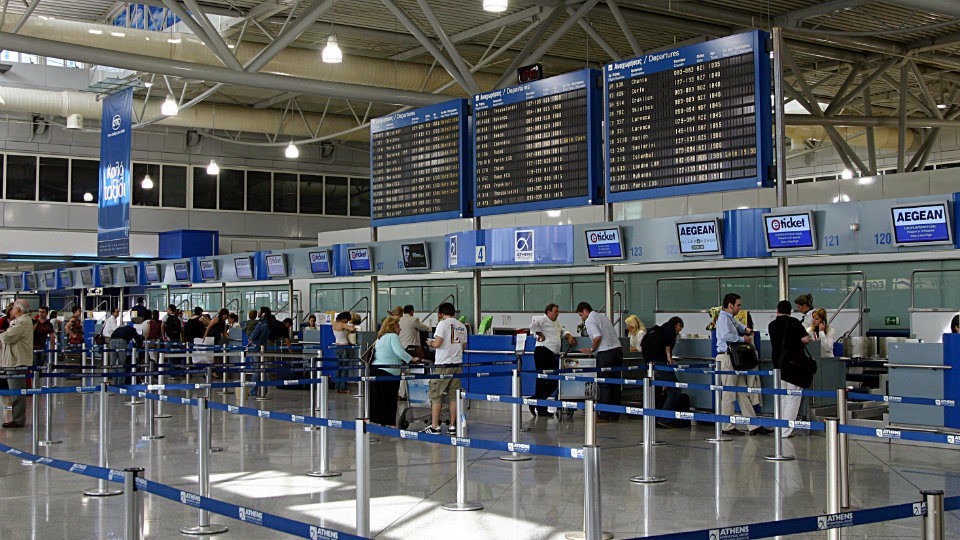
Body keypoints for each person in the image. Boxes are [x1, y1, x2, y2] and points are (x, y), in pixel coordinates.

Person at [715, 293, 771, 436]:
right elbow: (726, 336)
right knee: (729, 394)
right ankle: (726, 426)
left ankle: (753, 425)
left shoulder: (729, 318)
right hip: (727, 358)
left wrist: (746, 329)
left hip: (733, 360)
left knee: (742, 392)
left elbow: (737, 325)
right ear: (730, 305)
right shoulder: (723, 318)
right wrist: (743, 339)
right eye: (738, 305)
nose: (740, 307)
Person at [769, 300, 813, 438]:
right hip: (794, 365)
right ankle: (786, 431)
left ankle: (779, 427)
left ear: (777, 311)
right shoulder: (794, 322)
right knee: (793, 397)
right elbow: (806, 339)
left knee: (781, 397)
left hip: (778, 365)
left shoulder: (772, 325)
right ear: (790, 311)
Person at [424, 302, 466, 435]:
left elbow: (437, 343)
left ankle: (435, 426)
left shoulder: (442, 324)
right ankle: (452, 426)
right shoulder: (462, 326)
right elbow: (463, 347)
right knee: (454, 396)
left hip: (443, 365)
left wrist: (430, 343)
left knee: (436, 394)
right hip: (457, 364)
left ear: (441, 314)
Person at [577, 302, 623, 422]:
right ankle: (615, 415)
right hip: (618, 351)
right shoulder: (602, 316)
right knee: (615, 384)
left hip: (605, 353)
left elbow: (597, 337)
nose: (582, 318)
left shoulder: (589, 320)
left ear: (585, 311)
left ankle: (604, 415)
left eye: (581, 315)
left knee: (605, 384)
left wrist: (591, 349)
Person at [529, 303, 576, 416]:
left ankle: (534, 401)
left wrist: (569, 336)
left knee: (554, 381)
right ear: (548, 312)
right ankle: (540, 407)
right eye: (555, 311)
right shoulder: (542, 320)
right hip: (543, 352)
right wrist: (540, 334)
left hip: (552, 354)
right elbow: (532, 327)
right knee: (542, 380)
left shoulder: (556, 322)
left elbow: (562, 331)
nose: (557, 313)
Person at [369, 315, 418, 426]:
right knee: (390, 399)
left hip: (376, 370)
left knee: (379, 400)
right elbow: (399, 352)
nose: (400, 329)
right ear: (392, 327)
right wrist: (412, 359)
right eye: (398, 326)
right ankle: (389, 423)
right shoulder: (392, 336)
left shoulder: (380, 337)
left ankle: (381, 422)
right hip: (388, 372)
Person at [642, 317, 684, 427]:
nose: (680, 330)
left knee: (656, 390)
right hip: (659, 364)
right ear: (677, 324)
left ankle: (653, 418)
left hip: (650, 364)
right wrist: (669, 359)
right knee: (675, 388)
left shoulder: (658, 330)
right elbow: (667, 344)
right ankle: (665, 419)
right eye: (680, 327)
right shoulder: (669, 329)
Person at [1, 300, 33, 427]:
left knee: (17, 392)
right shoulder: (19, 321)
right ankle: (17, 418)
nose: (11, 309)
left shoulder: (23, 322)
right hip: (12, 360)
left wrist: (2, 334)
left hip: (17, 362)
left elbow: (7, 337)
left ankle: (18, 420)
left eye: (13, 307)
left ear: (19, 309)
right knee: (14, 391)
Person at [332, 311, 357, 393]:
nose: (347, 321)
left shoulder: (335, 324)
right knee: (345, 369)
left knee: (338, 369)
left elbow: (342, 333)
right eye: (347, 320)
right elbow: (352, 329)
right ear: (344, 318)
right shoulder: (342, 324)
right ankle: (344, 388)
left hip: (337, 347)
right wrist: (352, 326)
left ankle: (337, 387)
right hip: (344, 348)